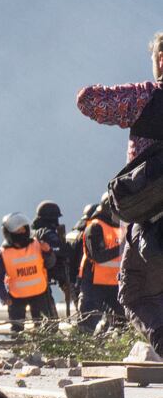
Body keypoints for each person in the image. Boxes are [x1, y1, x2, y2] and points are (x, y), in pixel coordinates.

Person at [77, 34, 163, 353]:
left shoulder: (148, 98)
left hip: (150, 225)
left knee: (135, 294)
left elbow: (88, 100)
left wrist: (138, 94)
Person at [0, 212, 55, 332]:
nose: (21, 232)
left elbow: (50, 264)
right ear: (9, 233)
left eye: (23, 229)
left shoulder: (37, 245)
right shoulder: (3, 253)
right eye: (17, 230)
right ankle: (19, 344)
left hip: (40, 294)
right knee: (17, 330)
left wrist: (48, 252)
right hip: (16, 298)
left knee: (45, 329)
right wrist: (3, 296)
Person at [76, 197, 126, 334]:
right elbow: (97, 256)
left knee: (123, 317)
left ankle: (118, 339)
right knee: (89, 319)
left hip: (115, 282)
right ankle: (85, 343)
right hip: (94, 282)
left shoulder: (121, 227)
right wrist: (122, 247)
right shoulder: (95, 227)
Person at [30, 201, 68, 317]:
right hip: (46, 273)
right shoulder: (47, 233)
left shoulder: (33, 232)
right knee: (50, 316)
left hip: (35, 275)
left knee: (42, 313)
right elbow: (59, 250)